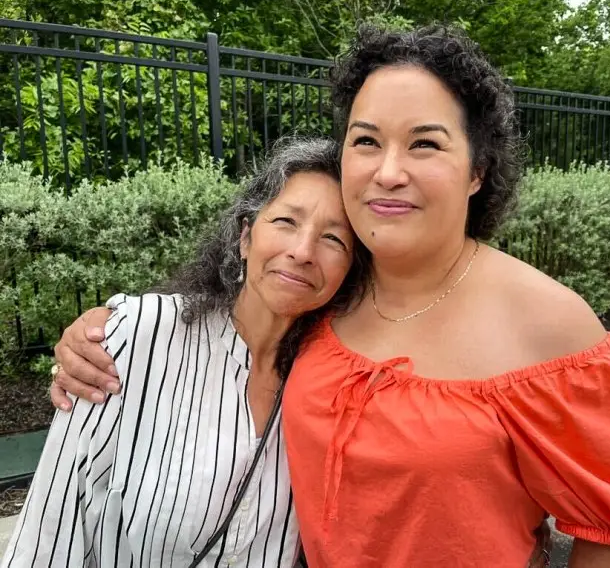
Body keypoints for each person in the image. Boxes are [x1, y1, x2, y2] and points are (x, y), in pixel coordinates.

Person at [47, 24, 610, 568]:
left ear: (478, 170)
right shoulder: (333, 291)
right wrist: (107, 330)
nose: (388, 171)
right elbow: (232, 318)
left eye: (426, 144)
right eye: (367, 140)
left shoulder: (549, 324)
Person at [2, 137, 368, 568]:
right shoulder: (137, 337)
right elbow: (51, 529)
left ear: (349, 271)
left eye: (333, 239)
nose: (303, 251)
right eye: (286, 220)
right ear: (245, 236)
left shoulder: (337, 380)